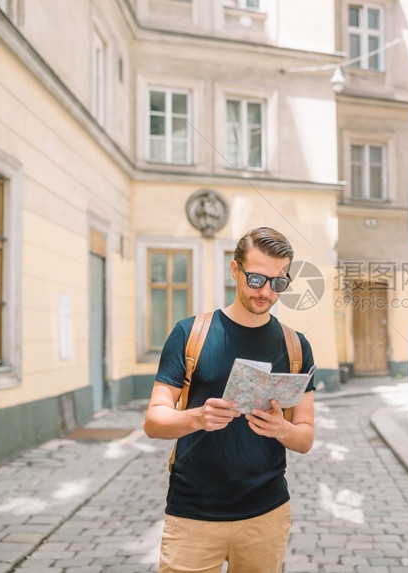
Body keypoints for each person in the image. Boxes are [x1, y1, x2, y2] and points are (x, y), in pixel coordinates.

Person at [144, 227, 316, 573]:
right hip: (193, 514)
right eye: (256, 279)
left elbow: (305, 437)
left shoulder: (296, 346)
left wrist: (281, 428)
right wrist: (197, 418)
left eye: (278, 282)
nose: (266, 291)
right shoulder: (190, 333)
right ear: (235, 270)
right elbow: (153, 421)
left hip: (266, 514)